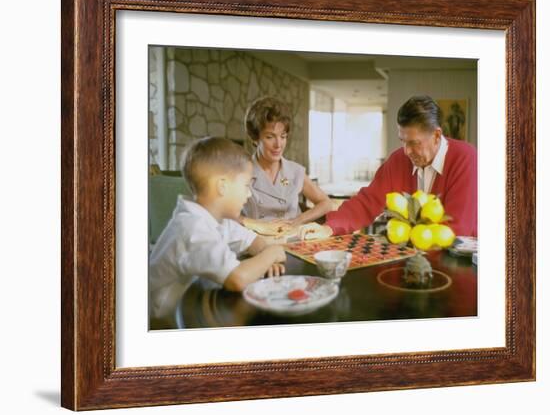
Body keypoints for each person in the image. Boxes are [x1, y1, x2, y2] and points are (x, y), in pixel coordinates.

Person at [300, 95, 477, 239]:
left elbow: (457, 228)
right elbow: (367, 202)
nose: (407, 151)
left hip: (460, 260)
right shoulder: (398, 160)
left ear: (437, 135)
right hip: (413, 257)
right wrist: (329, 228)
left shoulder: (465, 157)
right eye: (403, 141)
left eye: (414, 143)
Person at [149, 137, 287, 320]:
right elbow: (237, 279)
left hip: (194, 301)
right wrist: (273, 254)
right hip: (163, 322)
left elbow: (253, 241)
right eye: (246, 185)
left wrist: (265, 258)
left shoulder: (217, 219)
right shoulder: (192, 228)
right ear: (222, 186)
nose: (249, 194)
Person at [241, 96, 333, 237]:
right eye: (270, 137)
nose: (278, 144)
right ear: (255, 138)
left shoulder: (295, 171)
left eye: (283, 136)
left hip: (294, 242)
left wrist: (299, 220)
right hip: (256, 243)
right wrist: (256, 224)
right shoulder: (241, 172)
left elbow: (326, 203)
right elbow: (222, 214)